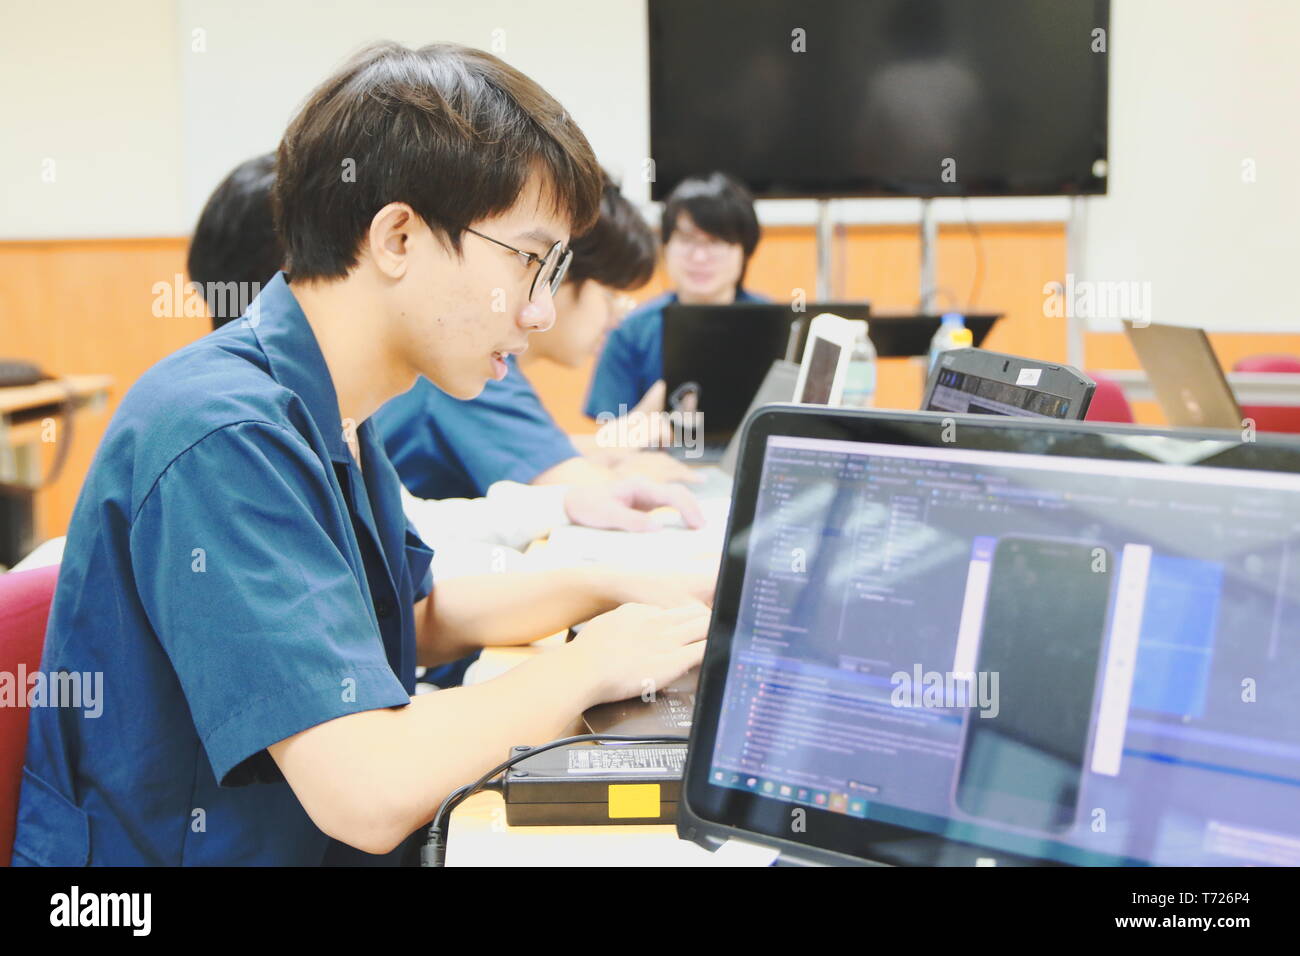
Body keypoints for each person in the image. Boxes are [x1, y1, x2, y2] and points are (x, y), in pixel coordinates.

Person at [13, 42, 709, 867]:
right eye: (530, 261)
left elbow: (407, 623)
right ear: (399, 238)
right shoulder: (226, 432)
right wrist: (593, 665)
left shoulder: (331, 406)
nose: (539, 312)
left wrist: (612, 587)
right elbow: (367, 793)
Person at [373, 174, 697, 496]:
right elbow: (572, 489)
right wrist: (622, 470)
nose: (616, 319)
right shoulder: (461, 369)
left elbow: (546, 452)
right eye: (610, 295)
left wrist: (615, 446)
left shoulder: (493, 369)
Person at [583, 171, 767, 421]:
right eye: (686, 239)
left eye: (715, 242)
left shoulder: (777, 326)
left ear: (745, 250)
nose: (699, 257)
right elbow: (610, 433)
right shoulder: (630, 331)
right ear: (666, 245)